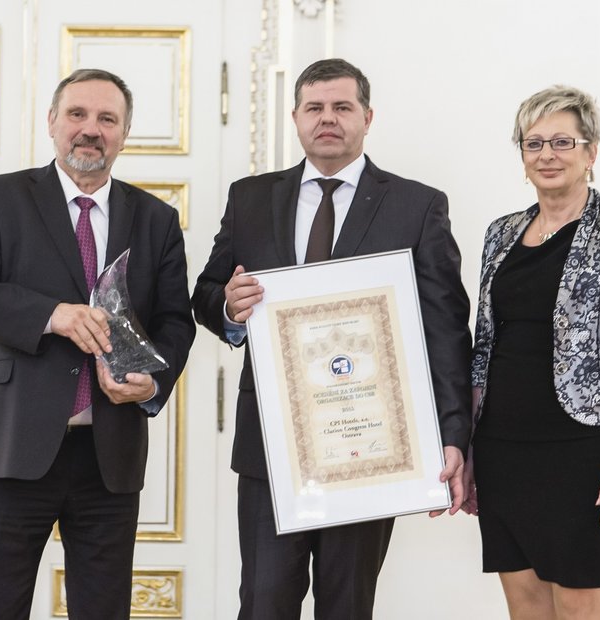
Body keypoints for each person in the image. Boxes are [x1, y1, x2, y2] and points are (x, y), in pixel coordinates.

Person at [192, 58, 471, 619]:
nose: (328, 118)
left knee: (347, 606)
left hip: (372, 445)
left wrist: (452, 434)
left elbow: (445, 328)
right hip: (271, 446)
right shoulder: (250, 198)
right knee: (263, 604)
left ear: (368, 117)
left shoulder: (416, 205)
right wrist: (228, 305)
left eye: (342, 107)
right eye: (314, 108)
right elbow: (206, 293)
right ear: (295, 117)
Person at [0, 68, 195, 620]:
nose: (91, 129)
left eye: (108, 119)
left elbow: (176, 322)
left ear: (124, 134)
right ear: (52, 121)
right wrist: (51, 315)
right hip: (10, 449)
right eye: (77, 114)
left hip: (109, 458)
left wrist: (153, 383)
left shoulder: (157, 219)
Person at [463, 85, 600, 619]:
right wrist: (469, 445)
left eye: (562, 142)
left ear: (590, 151)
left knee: (582, 605)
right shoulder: (501, 233)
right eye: (533, 143)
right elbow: (484, 348)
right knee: (526, 607)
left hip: (585, 450)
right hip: (504, 448)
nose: (547, 155)